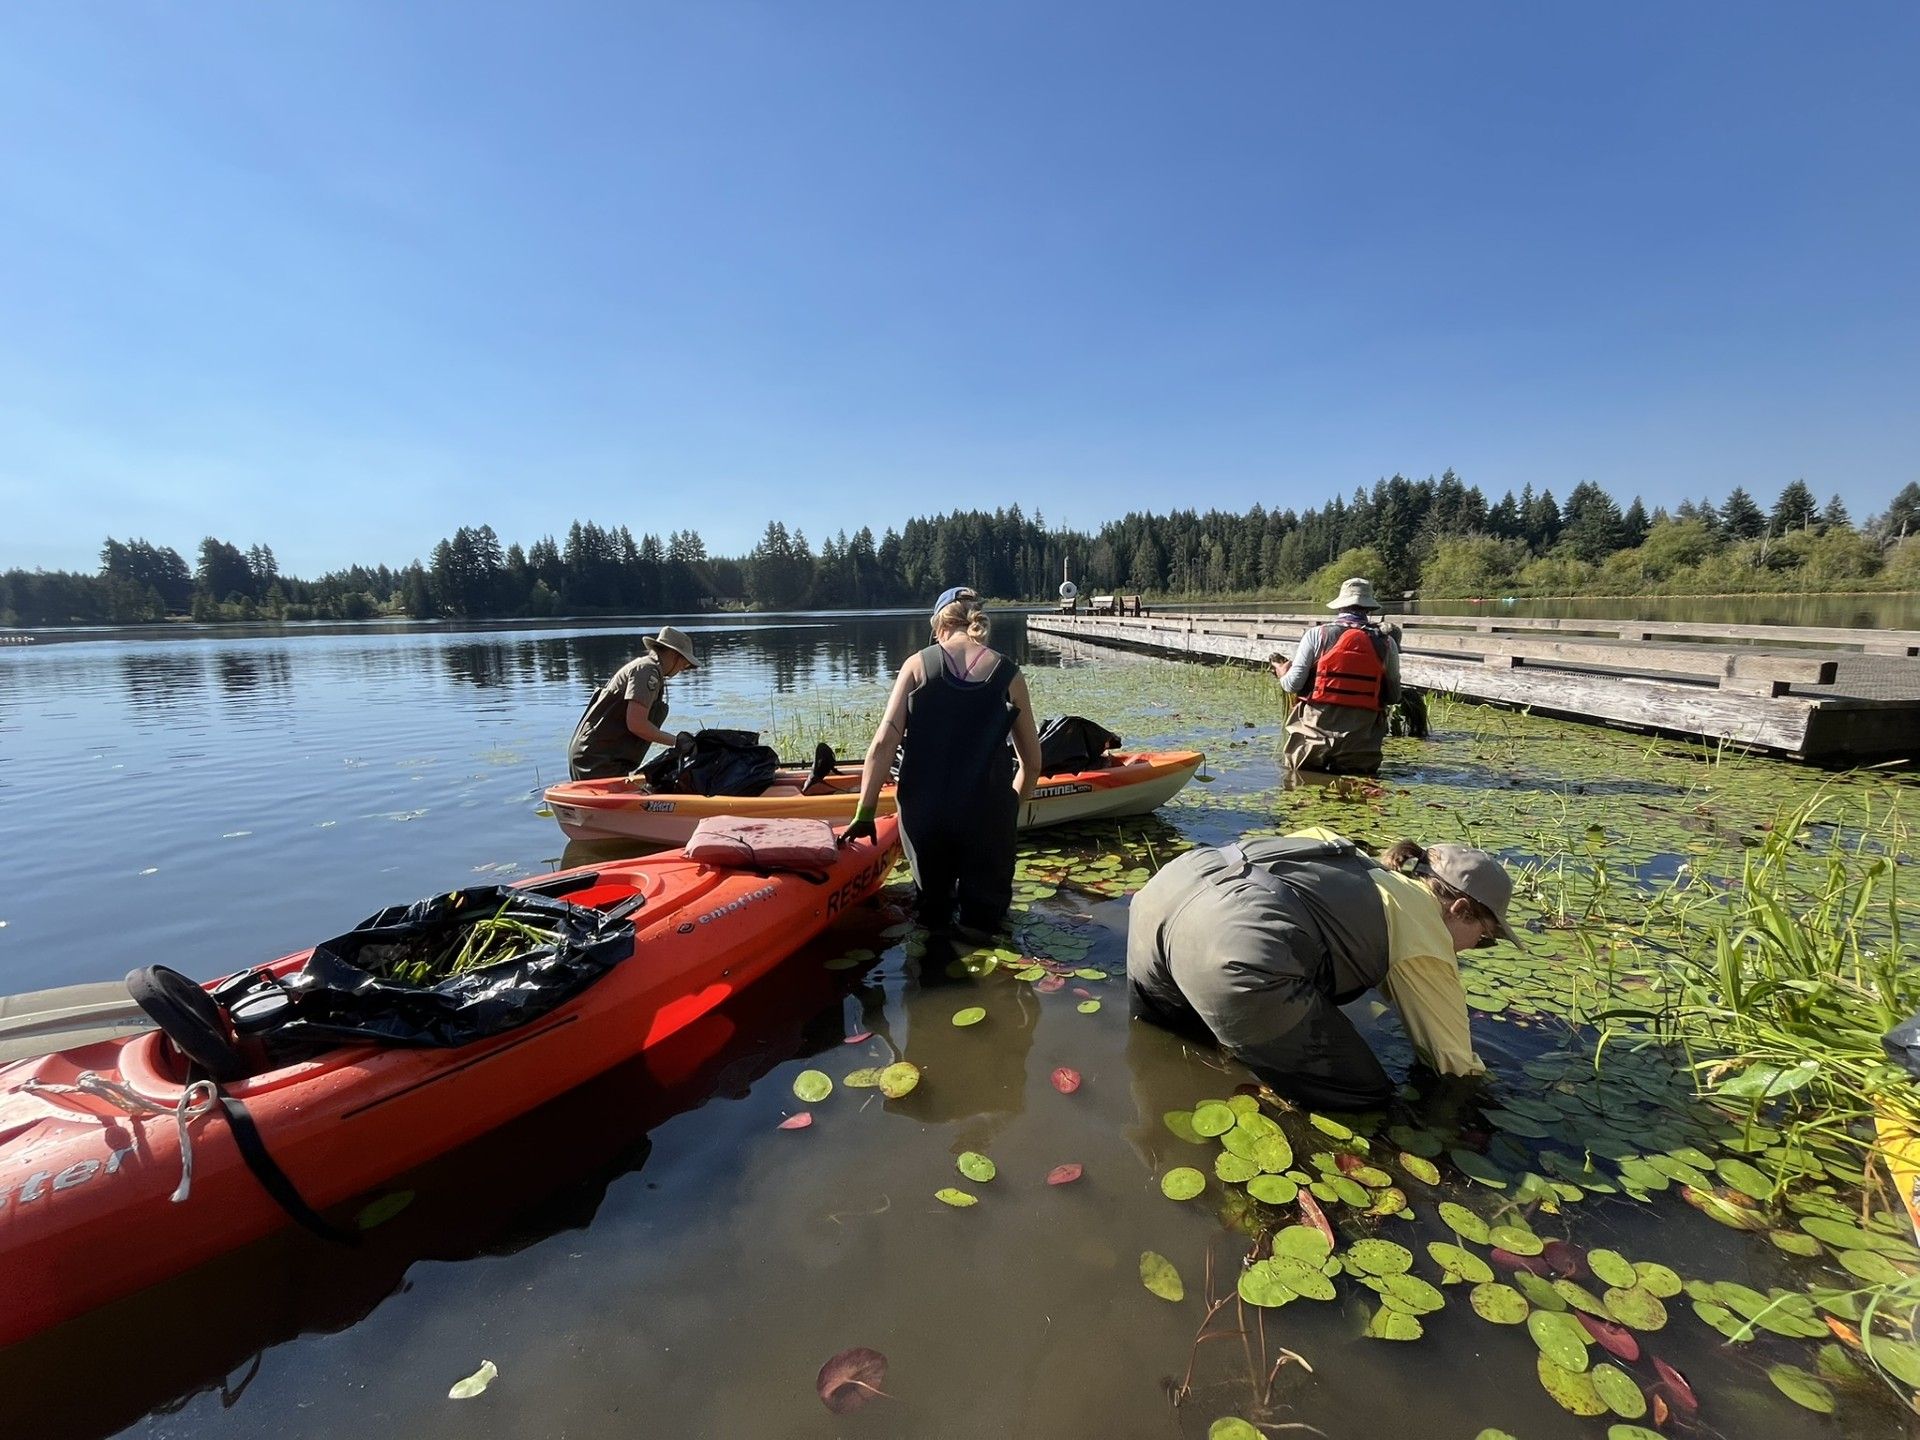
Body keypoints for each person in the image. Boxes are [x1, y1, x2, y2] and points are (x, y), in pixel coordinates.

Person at [1126, 826, 1520, 1111]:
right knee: (1365, 1091)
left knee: (1161, 1044)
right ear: (1460, 910)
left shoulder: (1341, 851)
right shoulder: (1424, 927)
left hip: (1164, 893)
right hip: (1233, 948)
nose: (1475, 949)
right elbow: (1452, 1063)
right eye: (1484, 938)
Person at [842, 587, 1043, 941]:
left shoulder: (917, 665)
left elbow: (883, 744)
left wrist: (865, 812)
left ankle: (934, 967)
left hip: (926, 817)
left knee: (932, 920)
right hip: (988, 819)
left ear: (939, 626)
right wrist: (1010, 808)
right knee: (987, 927)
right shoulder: (1009, 673)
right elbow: (1033, 763)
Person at [1269, 577, 1402, 774]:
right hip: (1362, 737)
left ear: (1340, 606)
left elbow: (1292, 685)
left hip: (1315, 729)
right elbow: (1394, 696)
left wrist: (1282, 672)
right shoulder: (1387, 643)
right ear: (1369, 609)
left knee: (1300, 781)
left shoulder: (1317, 635)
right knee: (1358, 787)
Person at [566, 625, 700, 781]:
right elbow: (637, 724)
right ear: (674, 654)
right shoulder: (647, 671)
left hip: (602, 756)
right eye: (684, 663)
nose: (683, 669)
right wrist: (677, 742)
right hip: (597, 760)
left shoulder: (650, 669)